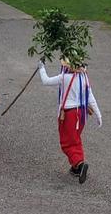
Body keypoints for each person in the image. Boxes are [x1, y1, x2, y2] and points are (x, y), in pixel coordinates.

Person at [38, 54, 102, 184]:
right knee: (76, 139)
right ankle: (76, 168)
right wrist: (98, 114)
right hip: (81, 114)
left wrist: (41, 67)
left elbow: (46, 81)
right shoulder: (84, 76)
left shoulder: (64, 77)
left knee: (67, 143)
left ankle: (79, 163)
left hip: (69, 115)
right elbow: (90, 96)